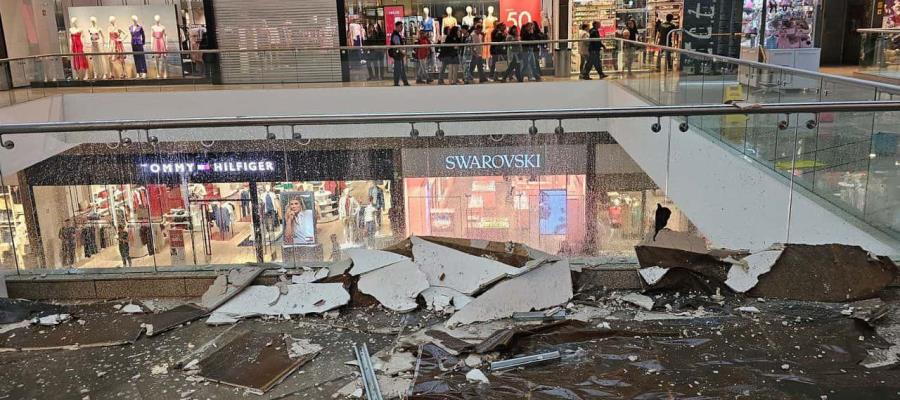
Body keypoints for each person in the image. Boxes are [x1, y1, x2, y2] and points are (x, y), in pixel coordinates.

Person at [389, 21, 409, 86]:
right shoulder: (395, 35)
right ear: (397, 27)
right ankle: (397, 83)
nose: (402, 28)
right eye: (401, 26)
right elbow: (397, 45)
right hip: (397, 55)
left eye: (402, 26)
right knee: (398, 69)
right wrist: (402, 52)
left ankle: (404, 82)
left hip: (398, 55)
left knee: (401, 69)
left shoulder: (397, 34)